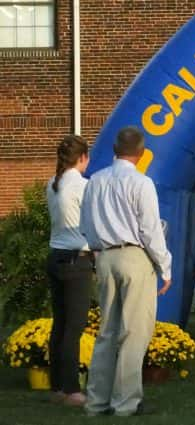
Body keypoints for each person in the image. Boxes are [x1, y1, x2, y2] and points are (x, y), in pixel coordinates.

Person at [80, 127, 172, 416]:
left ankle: (96, 401)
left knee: (107, 331)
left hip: (104, 256)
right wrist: (164, 266)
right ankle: (125, 402)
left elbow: (86, 224)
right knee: (134, 332)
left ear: (114, 149)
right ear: (141, 152)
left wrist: (98, 249)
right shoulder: (141, 183)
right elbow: (150, 230)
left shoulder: (94, 181)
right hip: (134, 256)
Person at [45, 135, 92, 407]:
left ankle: (57, 387)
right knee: (74, 327)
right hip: (77, 260)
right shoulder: (83, 186)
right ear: (82, 157)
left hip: (56, 256)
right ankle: (73, 390)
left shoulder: (51, 185)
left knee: (60, 325)